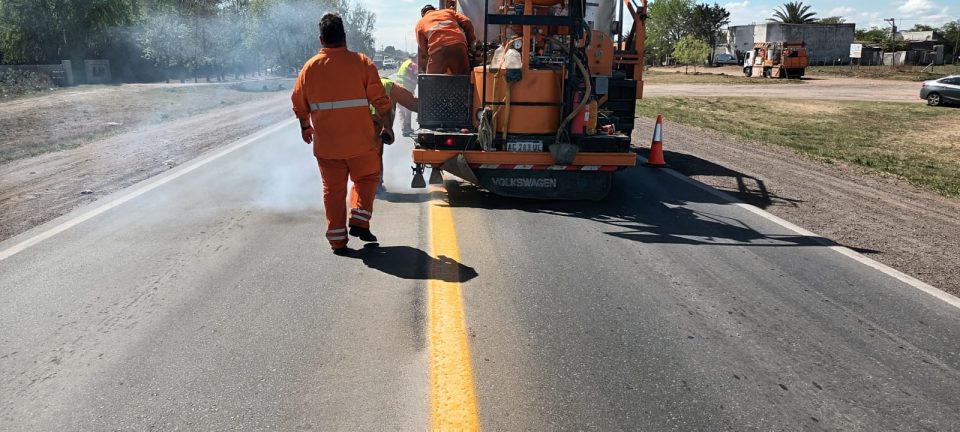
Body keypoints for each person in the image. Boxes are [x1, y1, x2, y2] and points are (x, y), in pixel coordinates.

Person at [292, 13, 393, 254]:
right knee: (367, 178)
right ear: (344, 37)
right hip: (361, 143)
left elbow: (298, 103)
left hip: (327, 146)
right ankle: (359, 219)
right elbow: (381, 101)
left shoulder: (309, 68)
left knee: (333, 191)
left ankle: (337, 240)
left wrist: (305, 126)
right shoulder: (361, 62)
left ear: (321, 39)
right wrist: (387, 126)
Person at [371, 76, 419, 193]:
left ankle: (372, 184)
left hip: (355, 127)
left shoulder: (358, 84)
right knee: (375, 153)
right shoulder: (389, 86)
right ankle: (375, 184)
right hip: (373, 124)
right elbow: (413, 104)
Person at [415, 4, 476, 75]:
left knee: (431, 81)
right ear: (435, 10)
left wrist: (431, 56)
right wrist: (471, 41)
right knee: (463, 78)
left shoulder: (420, 23)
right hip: (459, 46)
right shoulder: (448, 12)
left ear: (423, 15)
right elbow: (467, 21)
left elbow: (423, 46)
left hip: (438, 50)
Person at [395, 57, 418, 136]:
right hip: (406, 89)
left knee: (401, 109)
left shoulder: (405, 63)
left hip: (398, 88)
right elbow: (419, 76)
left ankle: (404, 128)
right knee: (408, 108)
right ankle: (407, 128)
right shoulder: (413, 65)